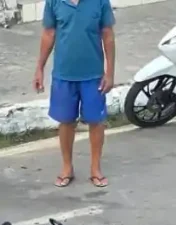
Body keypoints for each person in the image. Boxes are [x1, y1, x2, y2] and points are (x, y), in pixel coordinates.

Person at [35, 0, 116, 189]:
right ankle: (67, 167)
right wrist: (39, 68)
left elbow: (107, 34)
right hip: (64, 75)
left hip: (93, 75)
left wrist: (110, 73)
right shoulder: (54, 2)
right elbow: (48, 33)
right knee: (66, 121)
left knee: (96, 121)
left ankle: (95, 169)